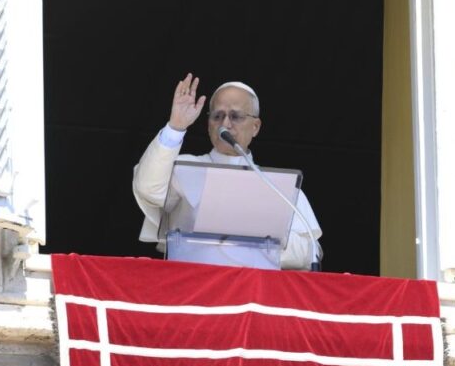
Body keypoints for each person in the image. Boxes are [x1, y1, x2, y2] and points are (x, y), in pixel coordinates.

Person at [133, 73, 322, 270]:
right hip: (193, 282)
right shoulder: (186, 168)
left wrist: (250, 239)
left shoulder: (277, 185)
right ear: (209, 125)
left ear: (255, 127)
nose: (225, 124)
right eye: (217, 116)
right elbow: (148, 188)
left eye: (236, 116)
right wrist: (176, 127)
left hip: (254, 286)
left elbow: (309, 251)